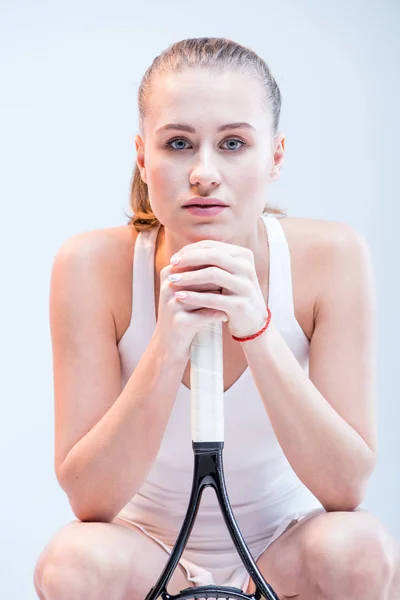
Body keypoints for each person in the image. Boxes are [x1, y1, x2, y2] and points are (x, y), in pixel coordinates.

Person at [33, 37, 399, 600]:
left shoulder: (334, 258)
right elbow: (90, 500)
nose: (204, 172)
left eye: (233, 143)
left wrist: (258, 328)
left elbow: (346, 488)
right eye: (179, 143)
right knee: (70, 564)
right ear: (142, 156)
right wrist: (165, 345)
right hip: (150, 551)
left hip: (283, 548)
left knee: (361, 549)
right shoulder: (87, 265)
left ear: (275, 156)